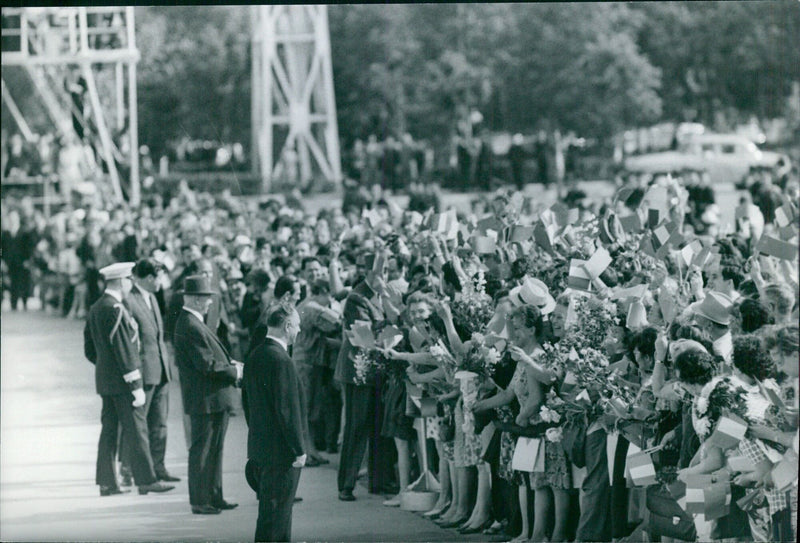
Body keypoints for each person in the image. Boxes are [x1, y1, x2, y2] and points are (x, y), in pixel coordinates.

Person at [83, 262, 174, 497]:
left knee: (110, 432)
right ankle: (146, 480)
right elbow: (125, 350)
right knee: (137, 429)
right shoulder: (116, 309)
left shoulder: (96, 307)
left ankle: (107, 482)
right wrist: (134, 384)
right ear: (121, 281)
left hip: (107, 382)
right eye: (128, 280)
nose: (130, 284)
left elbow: (90, 350)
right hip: (124, 383)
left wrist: (107, 369)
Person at [173, 275, 243, 514]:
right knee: (203, 450)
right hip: (205, 398)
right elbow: (207, 365)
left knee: (214, 448)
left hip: (211, 397)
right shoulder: (191, 325)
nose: (210, 303)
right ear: (193, 299)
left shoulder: (192, 322)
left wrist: (230, 364)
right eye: (206, 298)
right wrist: (234, 371)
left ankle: (214, 495)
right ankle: (200, 500)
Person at [243, 305, 306, 542]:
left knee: (272, 516)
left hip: (261, 448)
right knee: (277, 519)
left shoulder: (255, 355)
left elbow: (247, 403)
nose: (299, 331)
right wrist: (299, 449)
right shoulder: (282, 360)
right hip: (282, 453)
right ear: (287, 326)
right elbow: (287, 410)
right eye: (297, 326)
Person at [120, 259, 180, 483]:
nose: (161, 281)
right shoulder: (130, 300)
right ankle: (127, 470)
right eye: (158, 277)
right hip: (144, 372)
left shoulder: (153, 297)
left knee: (160, 423)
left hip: (161, 369)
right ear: (148, 278)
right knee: (138, 424)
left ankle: (158, 466)